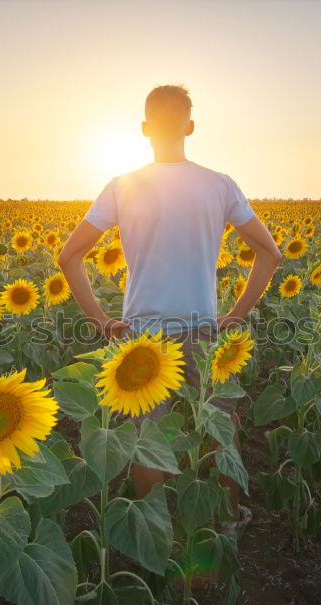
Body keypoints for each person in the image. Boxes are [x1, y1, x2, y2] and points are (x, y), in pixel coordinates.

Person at [56, 84, 282, 532]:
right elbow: (270, 254)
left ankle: (156, 533)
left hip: (141, 332)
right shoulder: (219, 185)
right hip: (201, 325)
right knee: (219, 425)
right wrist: (235, 314)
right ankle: (226, 523)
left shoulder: (122, 186)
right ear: (190, 127)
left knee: (146, 436)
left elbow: (68, 256)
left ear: (144, 129)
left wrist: (101, 322)